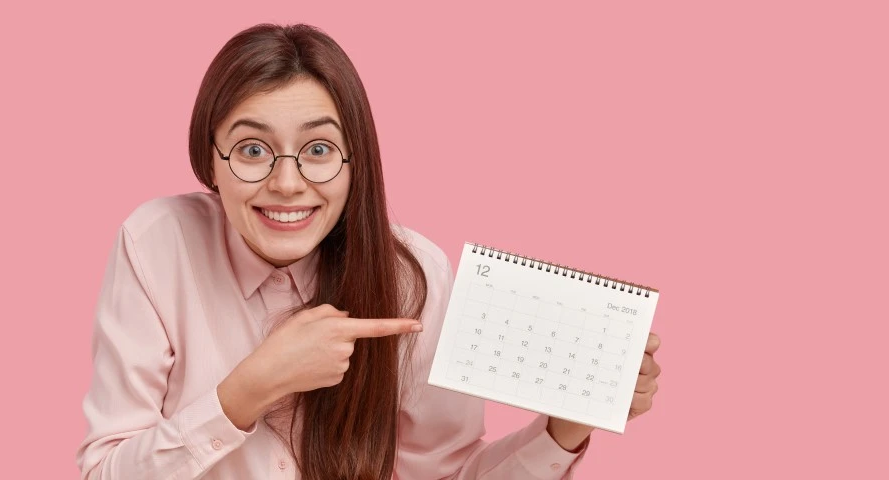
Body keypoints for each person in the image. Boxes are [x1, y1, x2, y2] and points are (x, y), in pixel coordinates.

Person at [75, 23, 662, 480]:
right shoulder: (156, 243)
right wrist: (249, 388)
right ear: (211, 158)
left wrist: (562, 429)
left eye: (319, 149)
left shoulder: (412, 275)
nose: (286, 182)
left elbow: (446, 473)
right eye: (252, 150)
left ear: (356, 161)